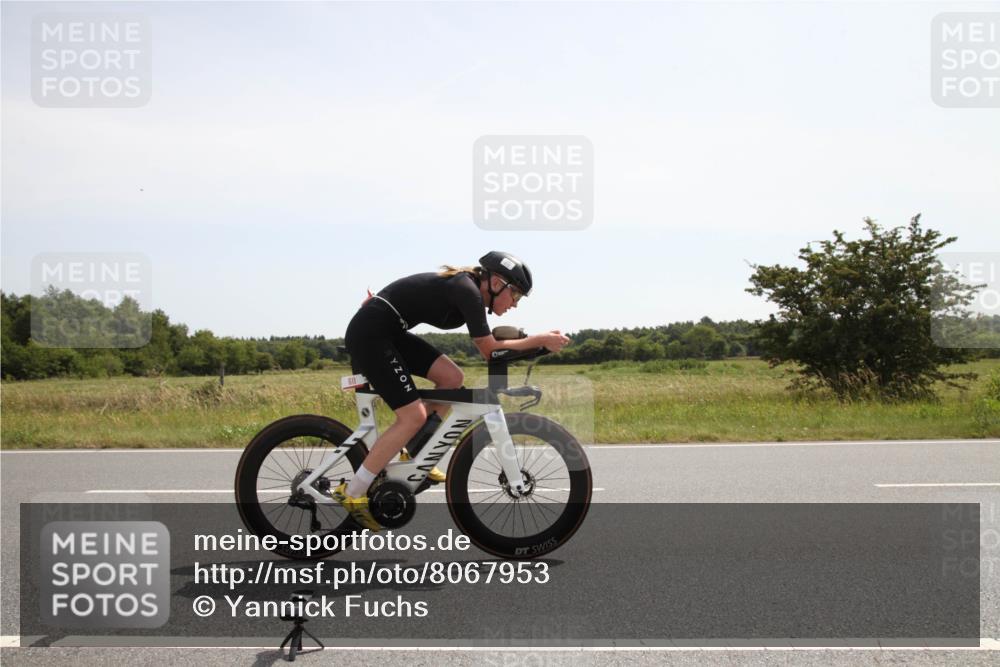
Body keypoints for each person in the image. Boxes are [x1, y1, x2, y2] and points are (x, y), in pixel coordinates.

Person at [334, 251, 570, 530]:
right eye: (515, 295)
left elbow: (490, 345)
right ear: (496, 283)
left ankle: (415, 453)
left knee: (451, 377)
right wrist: (539, 339)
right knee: (412, 416)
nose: (515, 305)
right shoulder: (466, 289)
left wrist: (535, 344)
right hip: (371, 334)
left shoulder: (468, 289)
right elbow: (489, 349)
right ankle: (352, 492)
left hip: (388, 332)